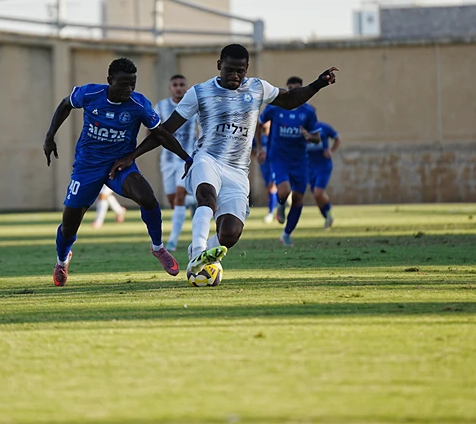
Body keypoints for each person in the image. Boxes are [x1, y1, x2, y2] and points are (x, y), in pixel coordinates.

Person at [110, 44, 337, 279]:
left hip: (238, 170)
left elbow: (289, 100)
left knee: (230, 233)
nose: (235, 75)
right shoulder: (200, 92)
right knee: (206, 196)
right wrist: (132, 156)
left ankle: (204, 250)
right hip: (207, 159)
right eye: (229, 69)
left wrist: (318, 83)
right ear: (219, 65)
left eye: (241, 70)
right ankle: (198, 252)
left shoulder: (258, 87)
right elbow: (166, 129)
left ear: (247, 68)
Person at [43, 57, 192, 286]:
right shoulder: (90, 94)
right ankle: (62, 261)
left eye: (132, 84)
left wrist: (186, 158)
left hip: (119, 165)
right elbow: (65, 104)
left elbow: (160, 133)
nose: (128, 89)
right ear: (109, 80)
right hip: (87, 167)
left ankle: (158, 247)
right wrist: (50, 136)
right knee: (70, 223)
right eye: (123, 84)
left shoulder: (138, 104)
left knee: (148, 198)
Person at [257, 76, 321, 246]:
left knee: (299, 198)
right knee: (284, 191)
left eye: (297, 88)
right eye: (290, 87)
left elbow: (317, 138)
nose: (293, 91)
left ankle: (286, 234)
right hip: (279, 157)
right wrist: (259, 148)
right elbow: (258, 124)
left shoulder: (308, 112)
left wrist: (308, 135)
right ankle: (280, 204)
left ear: (302, 90)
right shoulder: (275, 108)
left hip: (300, 160)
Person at [154, 74, 198, 251]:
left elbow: (200, 129)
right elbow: (152, 131)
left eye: (182, 85)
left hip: (186, 159)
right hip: (167, 160)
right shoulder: (162, 106)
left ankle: (172, 241)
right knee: (173, 201)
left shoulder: (193, 106)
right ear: (170, 88)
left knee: (179, 195)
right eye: (175, 85)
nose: (179, 87)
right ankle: (194, 201)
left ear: (186, 88)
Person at [307, 120, 340, 229]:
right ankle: (327, 218)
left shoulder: (323, 127)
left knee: (318, 192)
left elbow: (337, 137)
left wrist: (331, 150)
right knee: (316, 197)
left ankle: (329, 210)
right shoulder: (301, 129)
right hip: (309, 167)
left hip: (323, 166)